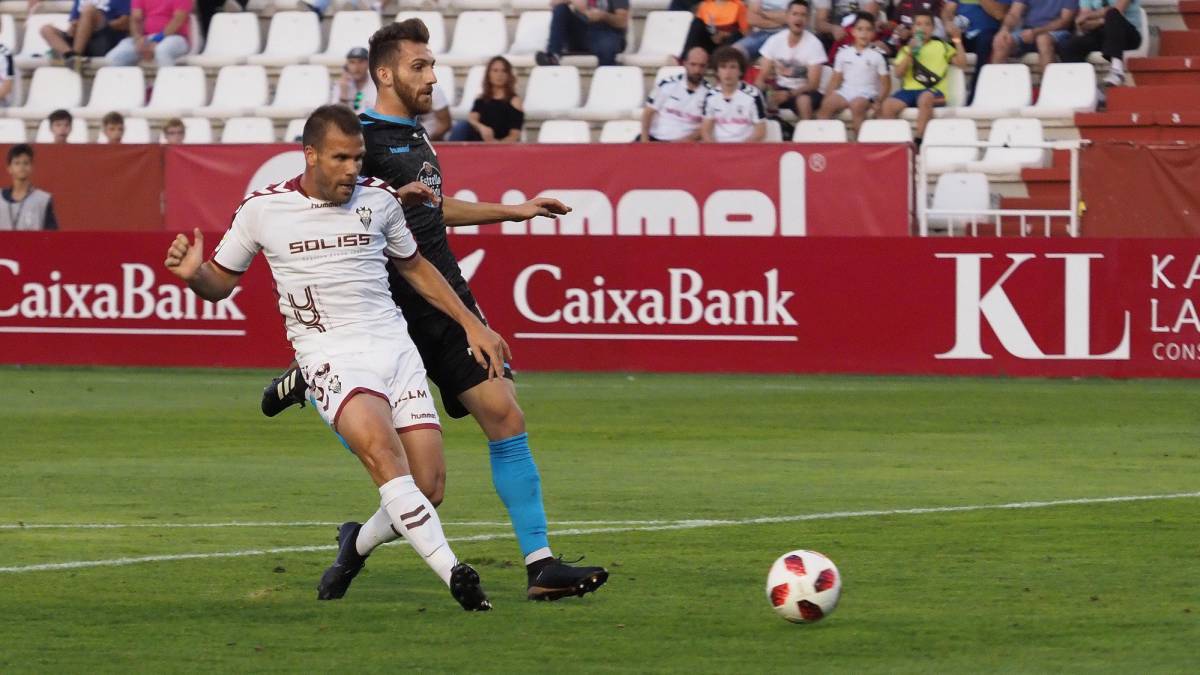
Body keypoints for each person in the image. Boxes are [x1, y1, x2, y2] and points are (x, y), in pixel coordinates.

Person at [260, 19, 610, 603]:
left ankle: (539, 564)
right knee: (414, 475)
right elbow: (342, 208)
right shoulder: (359, 137)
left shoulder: (417, 136)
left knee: (503, 414)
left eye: (432, 65)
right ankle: (316, 384)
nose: (431, 76)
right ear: (385, 73)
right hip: (382, 312)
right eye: (419, 66)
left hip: (442, 292)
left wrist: (513, 211)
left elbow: (429, 214)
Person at [164, 104, 499, 611]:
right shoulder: (262, 209)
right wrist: (194, 275)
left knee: (427, 486)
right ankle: (456, 574)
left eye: (358, 158)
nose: (352, 169)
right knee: (387, 461)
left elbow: (416, 268)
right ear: (310, 155)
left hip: (393, 348)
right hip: (329, 354)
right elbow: (219, 282)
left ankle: (354, 545)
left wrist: (472, 323)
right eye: (341, 158)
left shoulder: (381, 200)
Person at [880, 10, 966, 141]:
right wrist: (910, 54)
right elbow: (898, 73)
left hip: (934, 92)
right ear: (913, 28)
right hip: (909, 91)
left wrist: (957, 40)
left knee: (925, 98)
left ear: (933, 28)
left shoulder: (941, 46)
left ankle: (919, 140)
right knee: (887, 105)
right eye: (919, 24)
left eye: (927, 24)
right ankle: (894, 142)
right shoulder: (906, 49)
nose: (923, 28)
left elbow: (962, 64)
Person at [817, 13, 890, 136]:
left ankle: (859, 145)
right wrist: (826, 98)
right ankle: (824, 142)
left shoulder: (877, 56)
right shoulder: (843, 53)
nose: (864, 33)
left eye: (868, 30)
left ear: (873, 33)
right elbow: (835, 80)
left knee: (857, 106)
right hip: (846, 91)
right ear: (853, 31)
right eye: (860, 29)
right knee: (827, 105)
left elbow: (886, 84)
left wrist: (879, 101)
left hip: (867, 93)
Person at [755, 0, 828, 119]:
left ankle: (806, 135)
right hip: (781, 87)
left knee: (803, 101)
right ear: (787, 17)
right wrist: (766, 90)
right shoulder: (775, 40)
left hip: (805, 91)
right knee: (761, 93)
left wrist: (789, 94)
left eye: (803, 15)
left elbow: (813, 84)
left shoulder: (814, 44)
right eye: (795, 14)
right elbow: (762, 76)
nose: (799, 19)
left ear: (808, 19)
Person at [1059, 0, 1141, 87]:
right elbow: (1083, 22)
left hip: (1128, 35)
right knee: (1070, 46)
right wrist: (1101, 20)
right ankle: (1088, 88)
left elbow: (1118, 11)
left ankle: (1117, 71)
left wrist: (1092, 16)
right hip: (1102, 33)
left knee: (1112, 13)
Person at [941, 0, 1012, 99]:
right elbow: (948, 10)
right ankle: (938, 94)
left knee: (985, 42)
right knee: (939, 46)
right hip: (961, 35)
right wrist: (948, 22)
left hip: (986, 33)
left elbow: (999, 14)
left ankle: (976, 95)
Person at [641, 46, 711, 142]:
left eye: (701, 66)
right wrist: (644, 142)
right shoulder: (666, 84)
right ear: (685, 64)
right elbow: (648, 112)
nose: (697, 70)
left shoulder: (710, 95)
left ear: (707, 67)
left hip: (685, 146)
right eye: (693, 65)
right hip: (654, 140)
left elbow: (705, 127)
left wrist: (681, 143)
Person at [449, 56, 524, 143]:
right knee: (461, 126)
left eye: (504, 71)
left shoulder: (515, 101)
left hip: (500, 144)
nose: (499, 75)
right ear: (488, 74)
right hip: (479, 141)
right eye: (495, 70)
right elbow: (472, 119)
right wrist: (482, 128)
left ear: (509, 75)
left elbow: (514, 135)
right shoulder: (481, 98)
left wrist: (496, 145)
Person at [536, 0, 630, 67]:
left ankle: (606, 78)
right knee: (561, 9)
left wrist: (603, 16)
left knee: (606, 44)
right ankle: (553, 56)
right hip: (582, 32)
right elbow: (553, 3)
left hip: (606, 32)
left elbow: (622, 22)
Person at [702, 46, 767, 142]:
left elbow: (760, 131)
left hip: (745, 150)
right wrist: (714, 151)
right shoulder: (711, 96)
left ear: (740, 71)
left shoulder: (753, 95)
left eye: (732, 67)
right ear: (717, 71)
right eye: (723, 67)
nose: (728, 72)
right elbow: (705, 130)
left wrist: (739, 151)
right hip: (718, 151)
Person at [991, 0, 1076, 72]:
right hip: (1027, 30)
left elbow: (1065, 21)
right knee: (1001, 41)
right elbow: (1014, 14)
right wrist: (1004, 29)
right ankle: (995, 86)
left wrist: (1035, 32)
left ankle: (1049, 87)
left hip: (1055, 31)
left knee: (1043, 39)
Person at [41, 0, 131, 69]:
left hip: (105, 39)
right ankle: (70, 56)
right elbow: (73, 24)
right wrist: (75, 27)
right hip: (81, 39)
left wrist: (95, 23)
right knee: (46, 29)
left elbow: (125, 22)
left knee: (89, 10)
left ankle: (76, 57)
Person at [105, 0, 193, 67]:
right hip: (146, 38)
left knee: (162, 50)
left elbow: (178, 20)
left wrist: (156, 40)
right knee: (115, 56)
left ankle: (169, 88)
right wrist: (138, 40)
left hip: (175, 37)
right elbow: (135, 19)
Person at [0, 145, 58, 231]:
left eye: (26, 163)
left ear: (31, 167)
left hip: (34, 244)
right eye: (17, 163)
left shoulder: (43, 199)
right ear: (9, 168)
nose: (22, 167)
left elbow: (52, 236)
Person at [681, 0, 749, 56]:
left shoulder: (739, 6)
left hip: (728, 42)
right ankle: (687, 56)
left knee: (736, 35)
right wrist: (714, 34)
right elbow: (700, 28)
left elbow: (745, 33)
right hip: (709, 39)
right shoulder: (705, 5)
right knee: (697, 24)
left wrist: (725, 34)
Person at [331, 47, 378, 113]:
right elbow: (337, 116)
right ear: (346, 66)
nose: (357, 67)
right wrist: (344, 93)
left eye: (361, 62)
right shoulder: (341, 85)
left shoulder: (377, 84)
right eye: (352, 62)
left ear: (368, 64)